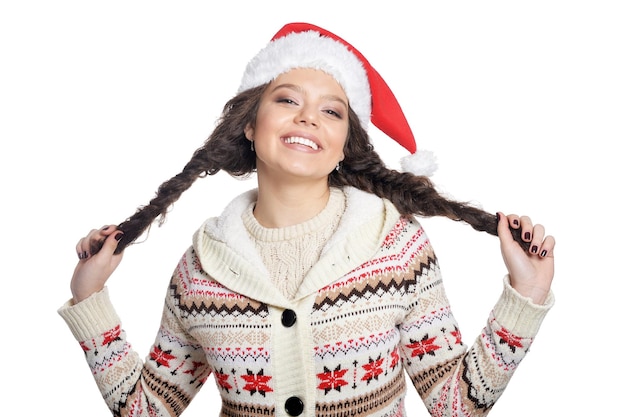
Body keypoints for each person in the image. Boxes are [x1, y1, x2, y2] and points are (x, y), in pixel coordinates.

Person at [59, 22, 555, 417]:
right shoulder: (201, 269)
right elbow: (147, 408)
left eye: (332, 112)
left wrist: (525, 295)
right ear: (250, 125)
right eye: (287, 99)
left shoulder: (398, 248)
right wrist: (89, 300)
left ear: (344, 146)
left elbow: (456, 405)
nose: (308, 118)